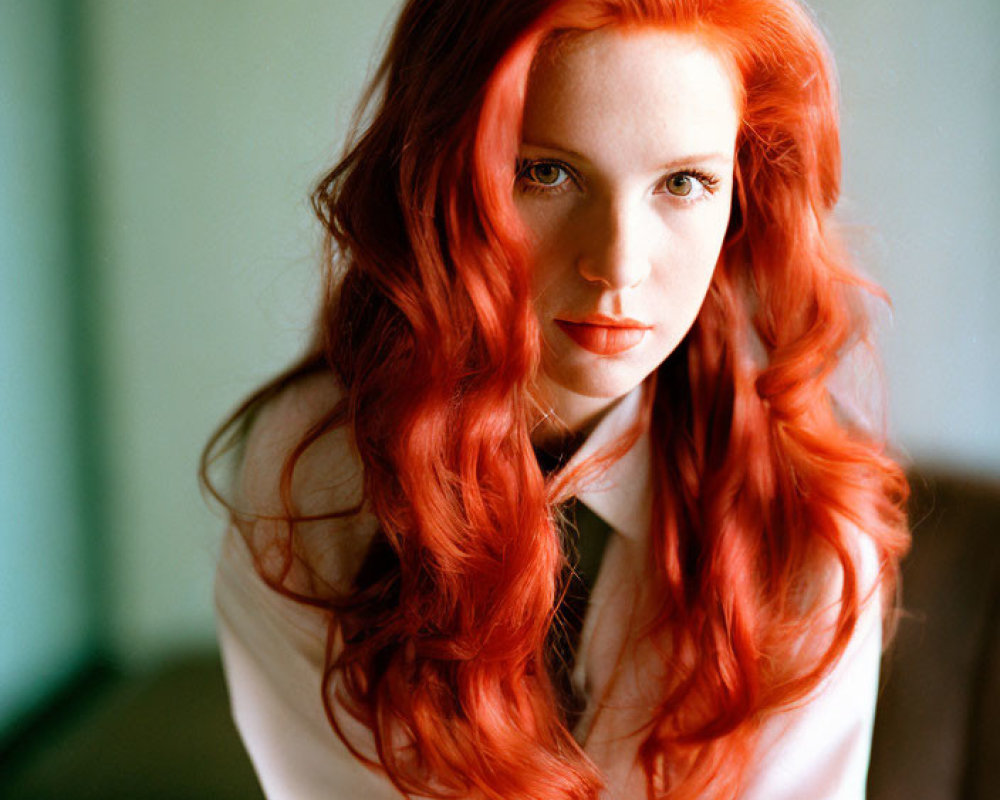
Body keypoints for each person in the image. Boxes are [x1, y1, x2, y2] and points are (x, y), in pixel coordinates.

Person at [202, 0, 910, 798]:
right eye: (546, 172)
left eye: (683, 182)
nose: (619, 264)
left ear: (740, 194)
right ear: (440, 178)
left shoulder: (807, 524)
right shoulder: (311, 485)